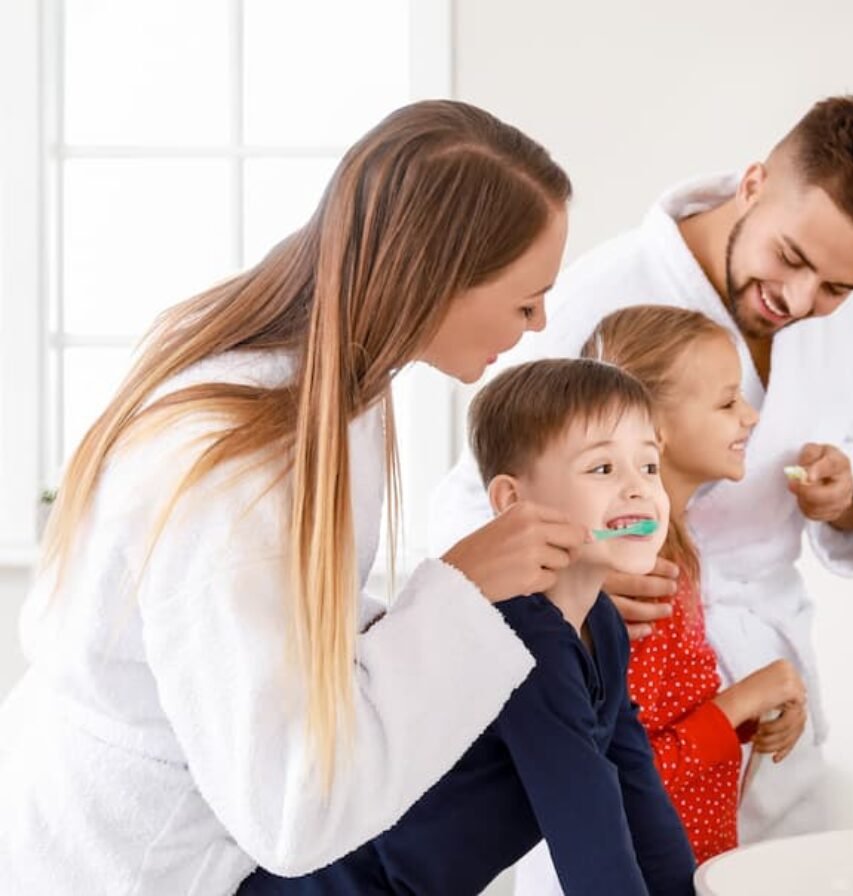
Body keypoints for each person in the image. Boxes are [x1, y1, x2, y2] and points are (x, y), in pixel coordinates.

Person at [0, 100, 589, 895]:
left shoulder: (339, 392)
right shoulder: (232, 475)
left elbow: (291, 627)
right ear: (436, 280)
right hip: (131, 861)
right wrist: (460, 590)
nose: (540, 321)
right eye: (525, 301)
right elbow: (292, 810)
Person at [430, 95, 853, 858]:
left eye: (837, 289)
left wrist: (849, 487)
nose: (802, 302)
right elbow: (480, 493)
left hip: (766, 689)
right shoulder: (601, 296)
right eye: (792, 260)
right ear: (755, 183)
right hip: (636, 667)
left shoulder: (833, 309)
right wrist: (578, 581)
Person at [241, 358, 697, 895]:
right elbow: (589, 834)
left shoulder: (601, 623)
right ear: (512, 502)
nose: (639, 490)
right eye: (602, 470)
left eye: (648, 467)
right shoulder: (526, 637)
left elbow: (636, 790)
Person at [586, 305, 808, 864]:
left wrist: (757, 710)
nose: (751, 418)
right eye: (728, 401)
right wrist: (746, 697)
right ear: (657, 431)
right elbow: (628, 775)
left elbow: (663, 725)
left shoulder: (674, 550)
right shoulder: (643, 572)